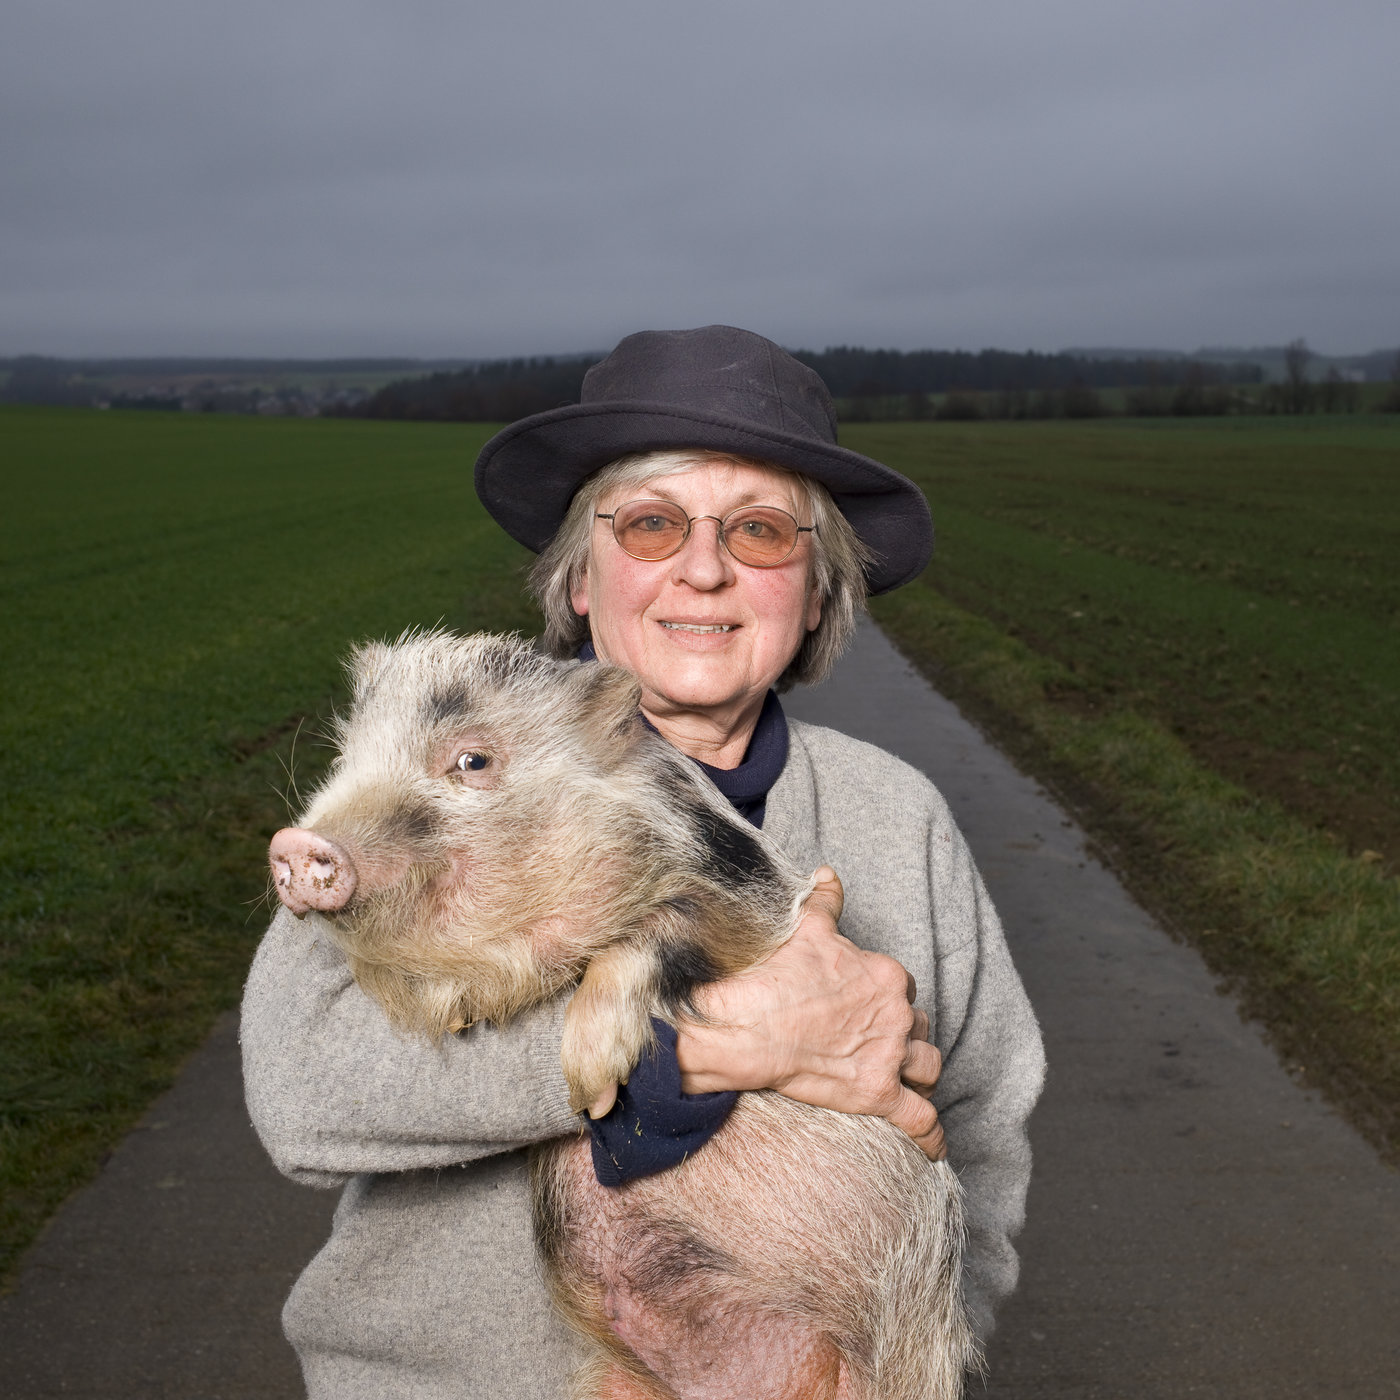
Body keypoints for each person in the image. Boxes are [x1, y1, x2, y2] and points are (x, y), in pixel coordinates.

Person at [241, 324, 1045, 1399]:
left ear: (815, 592)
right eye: (652, 524)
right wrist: (706, 1049)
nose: (702, 568)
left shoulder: (894, 812)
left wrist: (920, 1351)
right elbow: (305, 1094)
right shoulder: (440, 778)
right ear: (579, 577)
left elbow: (981, 1123)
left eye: (759, 531)